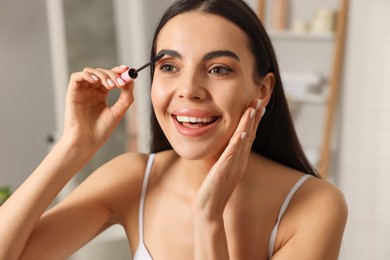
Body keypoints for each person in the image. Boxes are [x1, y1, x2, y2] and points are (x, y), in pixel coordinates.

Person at [0, 0, 348, 259]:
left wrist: (208, 216)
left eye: (218, 69)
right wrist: (73, 146)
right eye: (169, 66)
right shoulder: (134, 179)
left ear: (263, 89)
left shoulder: (314, 206)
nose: (189, 89)